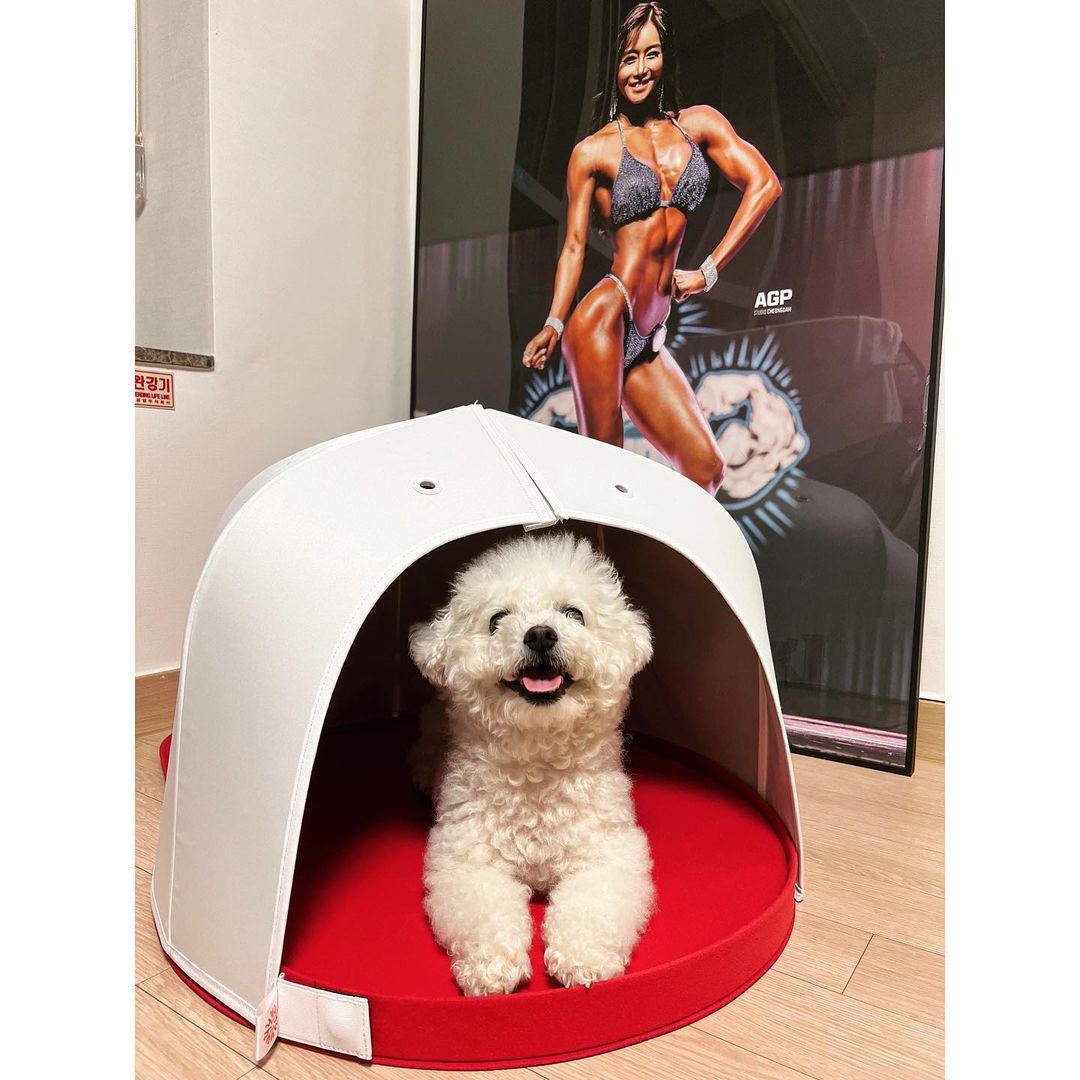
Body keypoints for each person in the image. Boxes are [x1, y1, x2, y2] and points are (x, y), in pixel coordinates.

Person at [521, 2, 781, 495]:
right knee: (606, 480)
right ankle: (596, 552)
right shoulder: (593, 151)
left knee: (706, 467)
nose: (639, 69)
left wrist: (707, 271)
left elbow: (764, 184)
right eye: (628, 58)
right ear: (614, 68)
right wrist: (555, 321)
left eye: (651, 54)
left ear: (666, 59)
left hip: (646, 337)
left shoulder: (698, 125)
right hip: (605, 317)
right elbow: (574, 246)